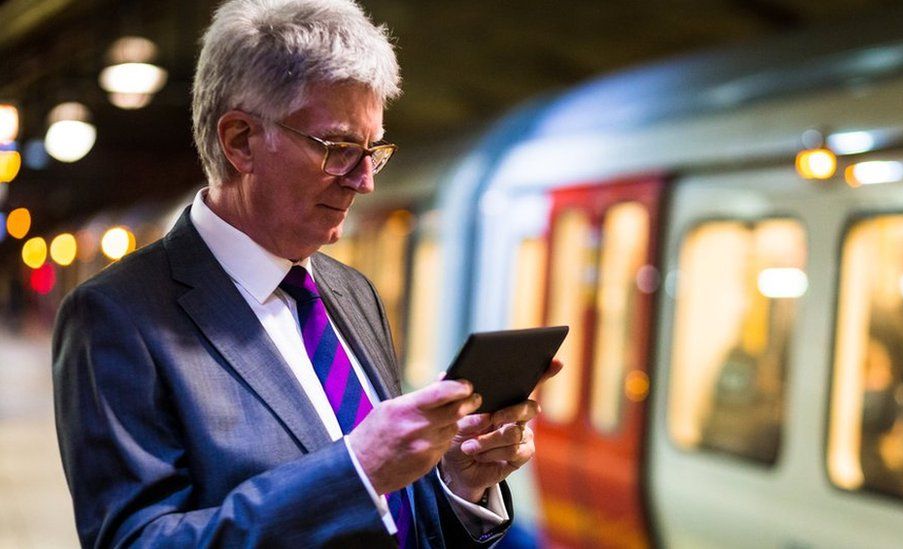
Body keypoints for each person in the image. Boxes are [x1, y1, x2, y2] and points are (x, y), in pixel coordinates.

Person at [52, 1, 560, 546]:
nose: (364, 181)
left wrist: (459, 482)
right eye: (339, 149)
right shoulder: (115, 317)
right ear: (241, 141)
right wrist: (356, 470)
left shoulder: (351, 291)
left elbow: (396, 521)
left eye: (373, 151)